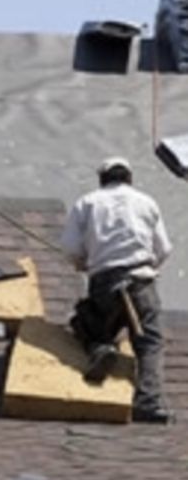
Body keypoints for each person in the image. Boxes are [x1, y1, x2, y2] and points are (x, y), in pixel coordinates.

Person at [61, 156, 173, 424]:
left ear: (102, 180)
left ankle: (100, 348)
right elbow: (164, 249)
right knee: (149, 342)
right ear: (129, 178)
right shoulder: (147, 202)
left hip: (105, 283)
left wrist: (83, 264)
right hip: (141, 280)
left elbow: (70, 248)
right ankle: (148, 402)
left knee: (85, 324)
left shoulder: (86, 203)